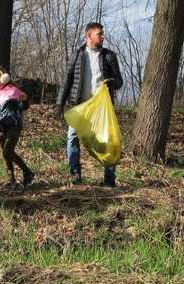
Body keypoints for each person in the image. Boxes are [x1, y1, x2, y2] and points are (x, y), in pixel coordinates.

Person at [56, 22, 123, 187]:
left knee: (108, 141)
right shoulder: (77, 55)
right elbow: (67, 81)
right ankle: (75, 174)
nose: (102, 36)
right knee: (72, 137)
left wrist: (111, 83)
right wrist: (59, 104)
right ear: (89, 36)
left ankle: (109, 179)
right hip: (80, 107)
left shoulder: (109, 56)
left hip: (101, 109)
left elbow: (119, 82)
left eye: (102, 34)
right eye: (99, 34)